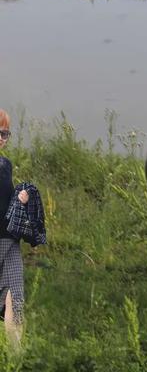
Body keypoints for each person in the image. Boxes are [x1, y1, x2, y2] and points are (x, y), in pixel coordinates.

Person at [0, 109, 28, 349]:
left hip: (10, 237)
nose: (1, 137)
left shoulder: (6, 164)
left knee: (15, 293)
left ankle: (16, 355)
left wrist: (21, 201)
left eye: (5, 133)